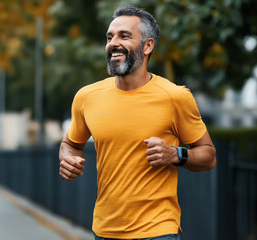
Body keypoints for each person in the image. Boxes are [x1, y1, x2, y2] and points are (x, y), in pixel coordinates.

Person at [59, 6, 216, 240]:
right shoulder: (86, 97)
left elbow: (208, 155)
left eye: (124, 36)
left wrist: (175, 155)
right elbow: (70, 144)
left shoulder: (175, 97)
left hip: (157, 230)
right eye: (110, 37)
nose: (113, 42)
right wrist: (67, 159)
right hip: (105, 230)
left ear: (147, 46)